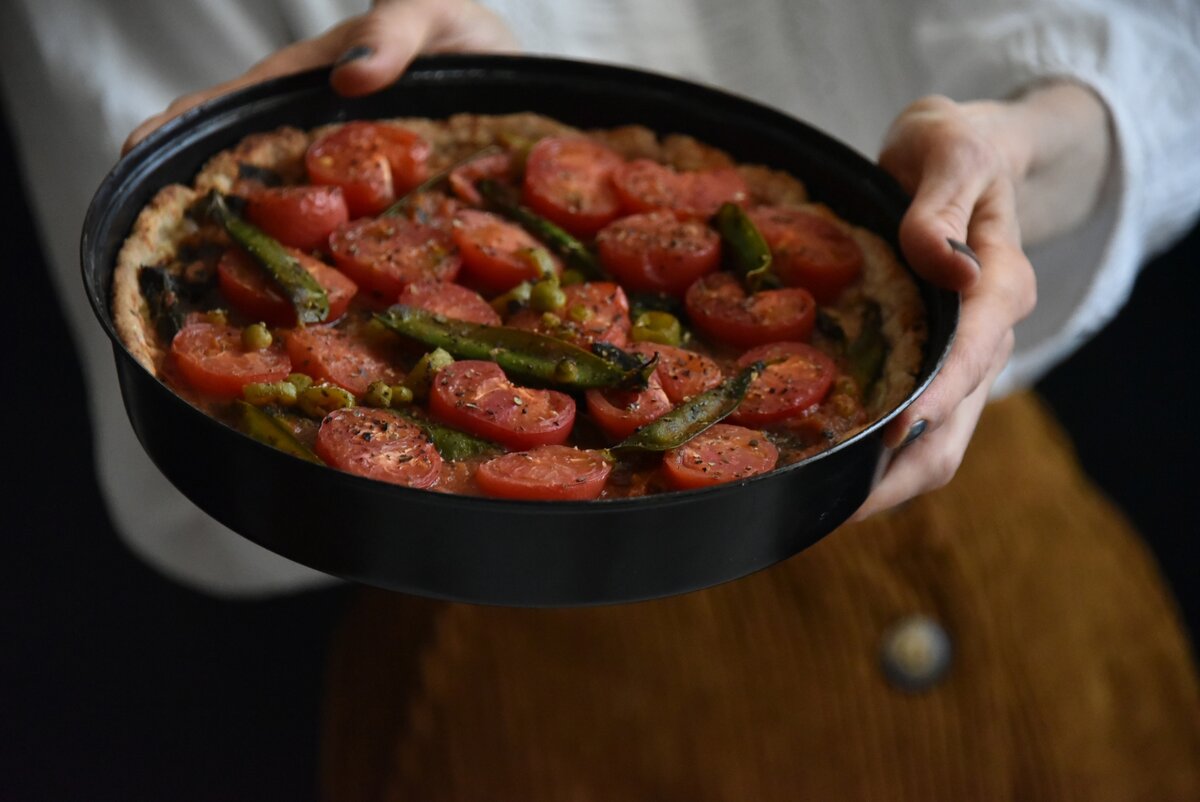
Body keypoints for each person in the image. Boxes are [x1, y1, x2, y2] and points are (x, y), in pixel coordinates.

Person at [1, 0, 1198, 797]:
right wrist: (419, 131)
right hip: (515, 659)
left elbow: (1158, 50)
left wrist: (1031, 141)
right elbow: (206, 446)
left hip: (1006, 565)